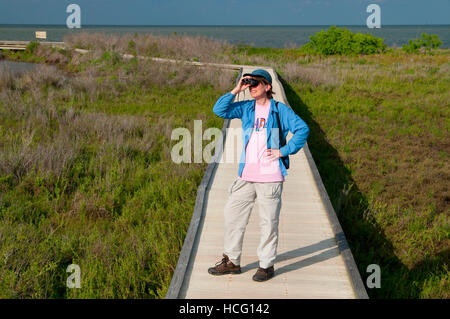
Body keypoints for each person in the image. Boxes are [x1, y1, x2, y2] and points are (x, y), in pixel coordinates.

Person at [208, 69, 310, 282]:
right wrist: (237, 89)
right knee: (233, 217)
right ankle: (232, 261)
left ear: (268, 86)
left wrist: (284, 150)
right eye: (249, 83)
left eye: (256, 83)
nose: (252, 86)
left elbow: (302, 129)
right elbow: (219, 110)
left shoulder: (279, 110)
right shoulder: (246, 108)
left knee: (268, 223)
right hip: (246, 175)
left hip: (270, 176)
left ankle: (266, 265)